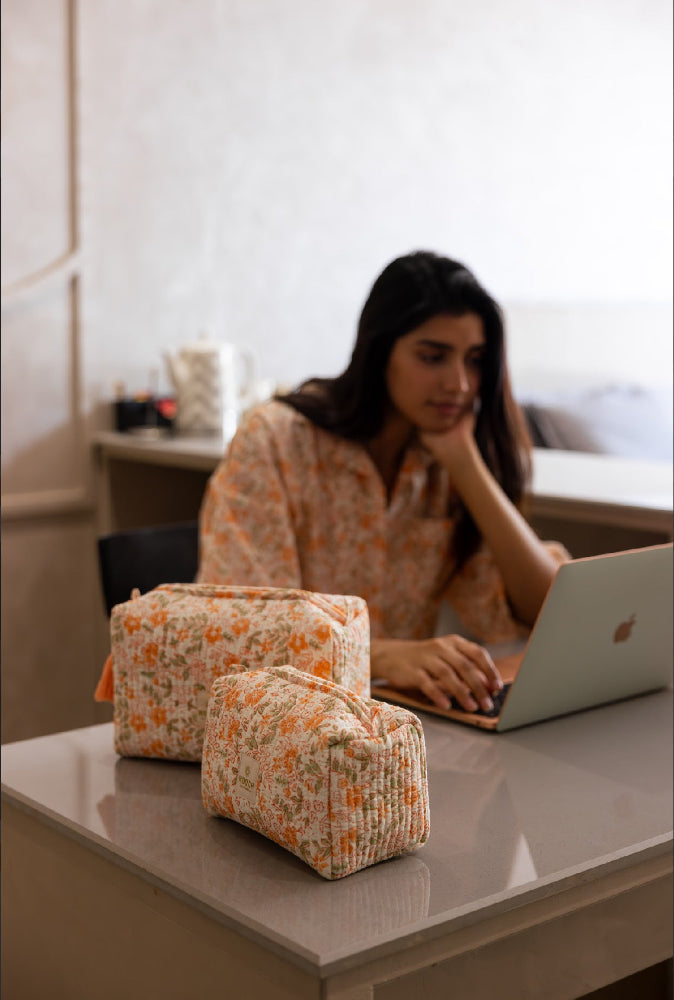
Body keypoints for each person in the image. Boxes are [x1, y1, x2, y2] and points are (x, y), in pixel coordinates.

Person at [197, 251, 568, 712]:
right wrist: (384, 656)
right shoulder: (275, 442)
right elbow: (245, 630)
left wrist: (465, 461)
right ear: (379, 352)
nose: (459, 383)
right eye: (433, 357)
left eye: (474, 360)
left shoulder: (440, 458)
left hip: (399, 733)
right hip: (285, 730)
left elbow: (550, 610)